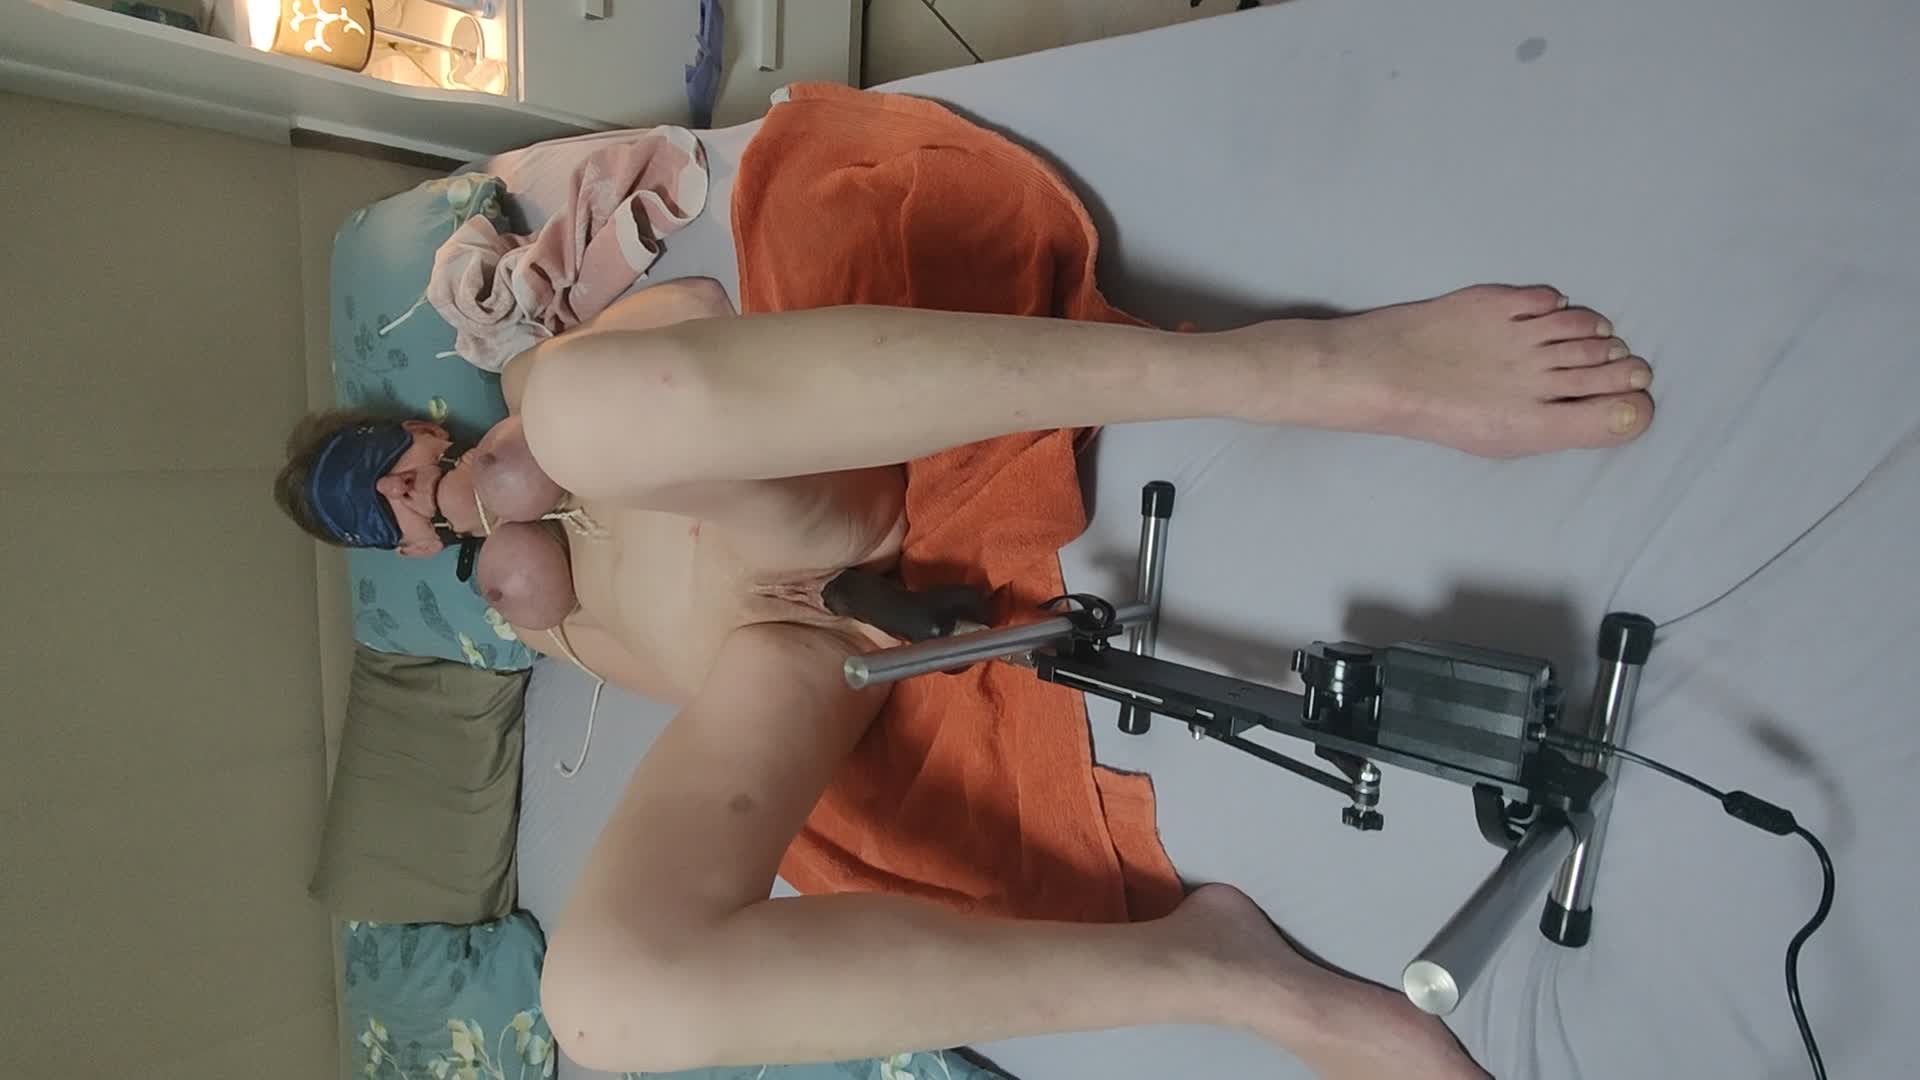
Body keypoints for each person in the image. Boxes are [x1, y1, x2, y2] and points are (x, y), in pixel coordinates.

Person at [277, 276, 1652, 1078]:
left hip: (795, 518)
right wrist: (559, 601)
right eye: (390, 522)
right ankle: (1218, 976)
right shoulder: (529, 620)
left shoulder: (529, 388)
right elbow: (682, 689)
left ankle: (1304, 368)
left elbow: (694, 312)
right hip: (789, 655)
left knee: (587, 411)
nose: (412, 501)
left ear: (420, 431)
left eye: (396, 470)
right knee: (603, 1003)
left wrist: (529, 439)